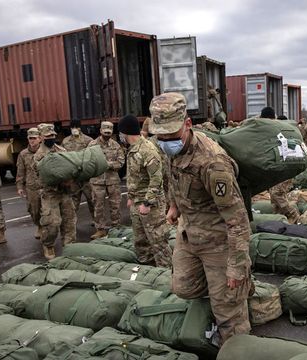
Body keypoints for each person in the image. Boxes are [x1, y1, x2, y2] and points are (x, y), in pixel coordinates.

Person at [148, 92, 252, 345]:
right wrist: (174, 206)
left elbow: (238, 219)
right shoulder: (172, 148)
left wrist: (236, 266)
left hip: (219, 242)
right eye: (160, 136)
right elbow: (176, 179)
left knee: (228, 313)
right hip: (189, 233)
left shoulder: (212, 164)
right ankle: (232, 292)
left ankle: (235, 342)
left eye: (171, 135)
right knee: (183, 287)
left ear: (187, 125)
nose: (165, 141)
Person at [120, 114, 173, 267]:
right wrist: (131, 197)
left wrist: (147, 203)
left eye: (121, 133)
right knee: (140, 242)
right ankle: (148, 272)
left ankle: (166, 275)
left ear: (126, 133)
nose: (120, 137)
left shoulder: (148, 150)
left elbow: (157, 179)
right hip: (137, 203)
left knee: (158, 242)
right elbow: (134, 177)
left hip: (150, 206)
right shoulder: (132, 150)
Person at [35, 123, 77, 259]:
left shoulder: (62, 151)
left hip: (65, 193)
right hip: (50, 194)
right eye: (48, 136)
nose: (51, 138)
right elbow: (42, 176)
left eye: (53, 135)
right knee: (52, 224)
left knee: (69, 222)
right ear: (41, 137)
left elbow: (70, 166)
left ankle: (70, 249)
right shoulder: (38, 156)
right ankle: (48, 245)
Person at [260, 106, 302, 224]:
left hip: (287, 166)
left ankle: (295, 217)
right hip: (279, 167)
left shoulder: (278, 129)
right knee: (275, 199)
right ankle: (280, 222)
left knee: (276, 193)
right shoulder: (271, 129)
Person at [89, 121, 125, 239]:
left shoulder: (116, 145)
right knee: (98, 206)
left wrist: (107, 164)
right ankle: (100, 229)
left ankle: (116, 228)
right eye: (105, 132)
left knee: (115, 205)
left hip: (112, 180)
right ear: (100, 131)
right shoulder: (92, 145)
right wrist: (99, 165)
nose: (107, 135)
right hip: (97, 181)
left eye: (109, 133)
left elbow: (120, 162)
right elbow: (88, 162)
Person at [61, 119, 95, 220]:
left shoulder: (88, 140)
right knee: (73, 202)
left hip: (86, 177)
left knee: (92, 200)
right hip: (73, 178)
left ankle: (96, 221)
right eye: (73, 127)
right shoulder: (65, 141)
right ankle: (71, 223)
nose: (75, 129)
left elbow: (93, 157)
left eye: (76, 127)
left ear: (80, 128)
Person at [16, 127, 43, 239]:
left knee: (48, 211)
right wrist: (19, 186)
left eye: (34, 138)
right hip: (31, 188)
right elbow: (20, 171)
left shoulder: (45, 151)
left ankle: (46, 229)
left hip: (45, 186)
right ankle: (39, 226)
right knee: (34, 210)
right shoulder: (23, 154)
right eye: (30, 138)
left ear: (40, 139)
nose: (32, 141)